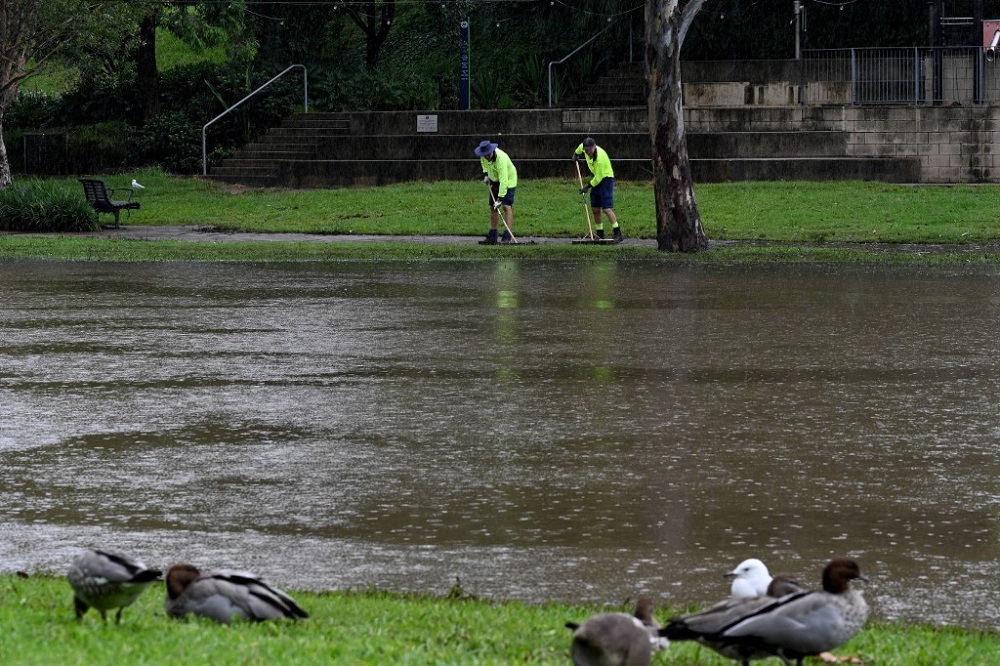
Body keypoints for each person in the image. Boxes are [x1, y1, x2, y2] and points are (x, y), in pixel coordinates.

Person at [574, 137, 623, 243]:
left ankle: (618, 233)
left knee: (606, 208)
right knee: (595, 208)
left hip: (606, 178)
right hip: (596, 178)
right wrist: (576, 154)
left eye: (590, 150)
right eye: (586, 150)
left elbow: (599, 178)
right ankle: (600, 234)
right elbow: (579, 148)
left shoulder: (600, 158)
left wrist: (587, 186)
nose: (588, 152)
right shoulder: (584, 148)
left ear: (594, 147)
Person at [474, 140, 518, 245]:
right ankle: (493, 236)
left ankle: (507, 236)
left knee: (506, 206)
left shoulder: (501, 159)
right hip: (494, 180)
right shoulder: (484, 156)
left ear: (492, 151)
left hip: (508, 181)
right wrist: (486, 175)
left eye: (488, 154)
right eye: (485, 155)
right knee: (493, 207)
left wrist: (500, 199)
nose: (487, 157)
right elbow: (484, 164)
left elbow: (504, 181)